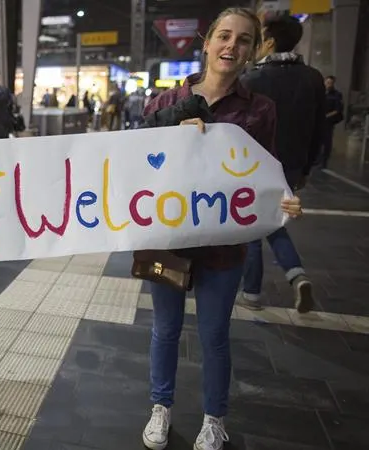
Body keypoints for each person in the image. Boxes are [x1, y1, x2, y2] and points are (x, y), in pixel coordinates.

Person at [138, 8, 303, 450]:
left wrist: (283, 200)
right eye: (224, 36)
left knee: (213, 335)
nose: (232, 45)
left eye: (244, 39)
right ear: (207, 42)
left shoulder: (261, 109)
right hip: (166, 239)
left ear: (252, 51)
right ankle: (161, 406)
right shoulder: (163, 103)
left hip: (224, 247)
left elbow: (267, 174)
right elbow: (134, 166)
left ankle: (214, 418)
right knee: (165, 329)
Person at [238, 14, 324, 312]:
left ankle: (251, 292)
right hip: (291, 165)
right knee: (274, 221)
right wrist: (305, 169)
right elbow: (319, 129)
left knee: (251, 223)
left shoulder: (253, 79)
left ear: (270, 42)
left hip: (255, 164)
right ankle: (296, 275)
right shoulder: (313, 78)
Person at [320, 75, 344, 168]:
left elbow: (337, 110)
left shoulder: (336, 95)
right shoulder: (320, 93)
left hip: (328, 121)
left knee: (327, 141)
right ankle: (317, 159)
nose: (329, 84)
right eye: (327, 82)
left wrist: (326, 116)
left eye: (331, 83)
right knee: (318, 140)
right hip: (319, 120)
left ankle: (324, 160)